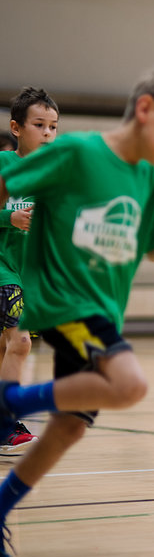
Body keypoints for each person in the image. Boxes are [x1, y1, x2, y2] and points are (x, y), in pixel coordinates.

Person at [0, 67, 154, 557]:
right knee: (129, 383)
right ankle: (11, 400)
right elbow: (7, 183)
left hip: (100, 313)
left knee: (68, 429)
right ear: (147, 109)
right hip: (67, 305)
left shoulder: (148, 178)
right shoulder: (78, 152)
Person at [0, 89, 60, 455]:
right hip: (2, 266)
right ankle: (8, 425)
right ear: (17, 128)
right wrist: (10, 217)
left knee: (7, 346)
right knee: (20, 343)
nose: (48, 133)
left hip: (31, 272)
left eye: (53, 126)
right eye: (40, 125)